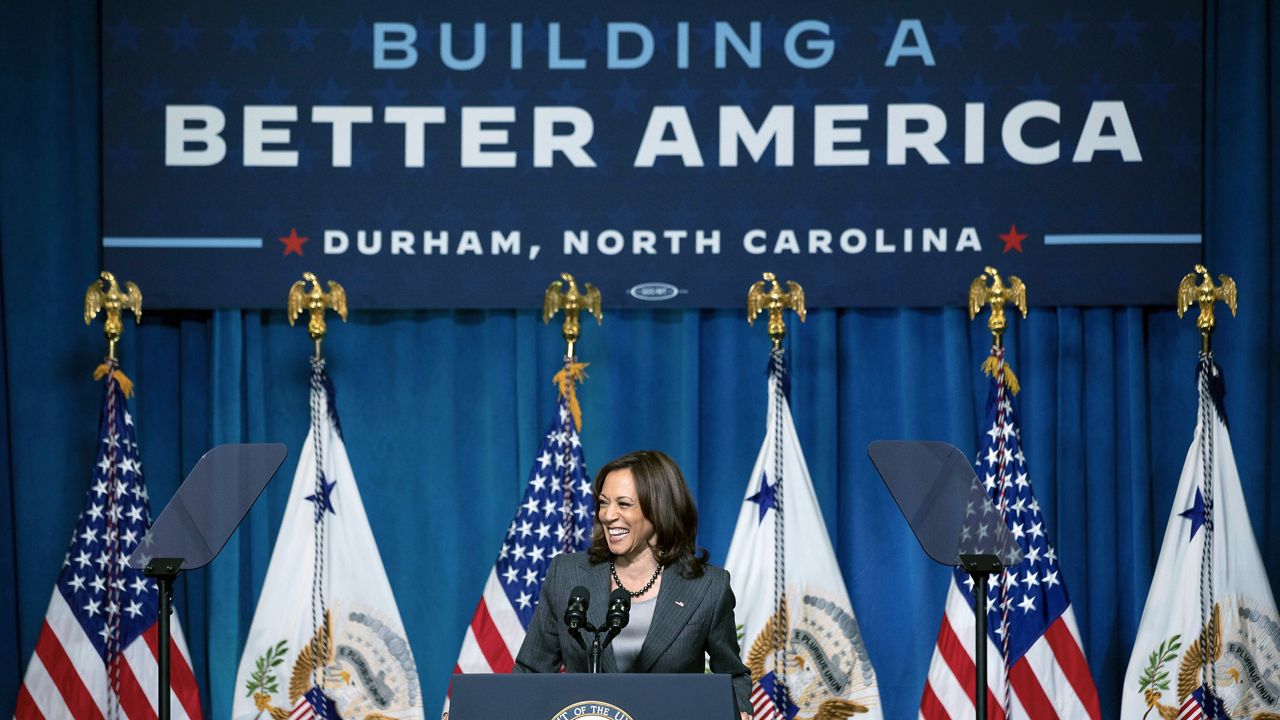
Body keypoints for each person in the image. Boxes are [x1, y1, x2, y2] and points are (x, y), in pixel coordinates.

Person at [514, 450, 753, 717]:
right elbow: (530, 672)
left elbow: (732, 676)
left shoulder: (707, 586)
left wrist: (739, 711)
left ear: (659, 509)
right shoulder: (567, 574)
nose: (608, 515)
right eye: (604, 503)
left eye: (624, 504)